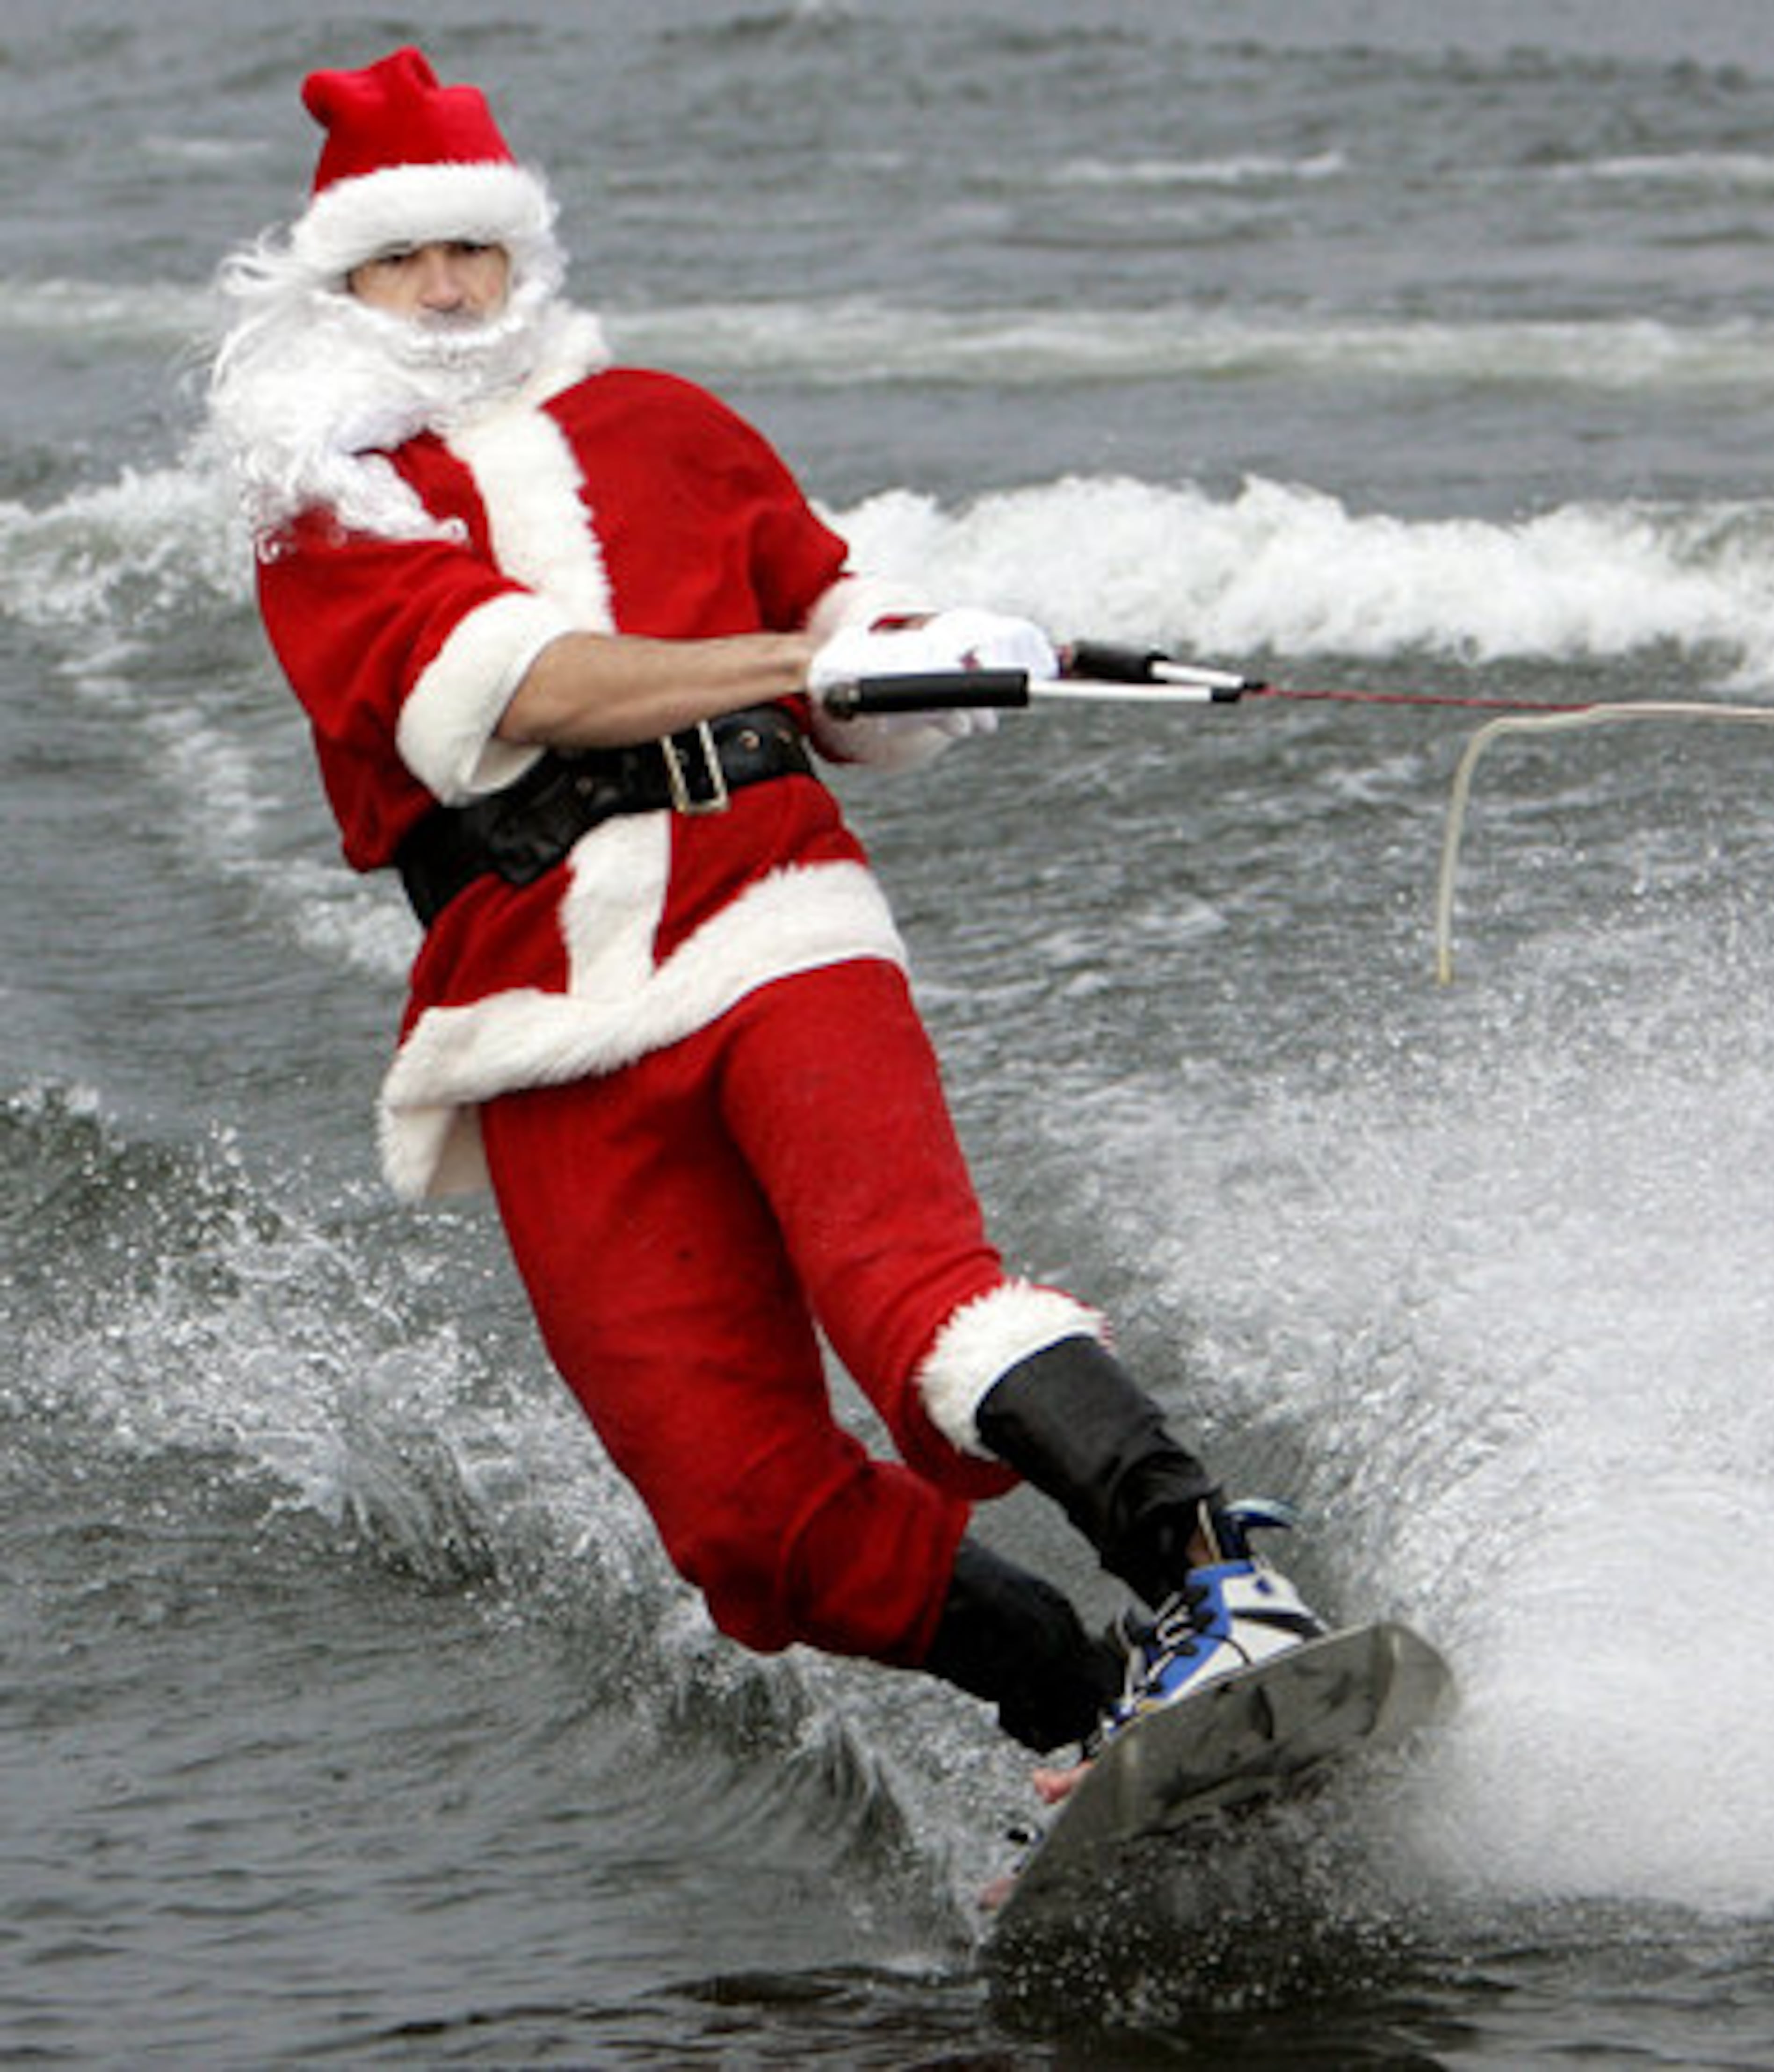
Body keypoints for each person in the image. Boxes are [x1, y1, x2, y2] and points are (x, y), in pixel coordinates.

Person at [208, 46, 1325, 1765]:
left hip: (776, 915)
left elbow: (854, 644)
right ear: (336, 285)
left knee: (915, 1304)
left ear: (524, 262)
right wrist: (811, 659)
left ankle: (1215, 1579)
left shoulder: (671, 422)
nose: (445, 289)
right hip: (536, 1013)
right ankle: (1086, 1702)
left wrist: (928, 647)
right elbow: (535, 686)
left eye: (474, 252)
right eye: (400, 260)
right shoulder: (328, 506)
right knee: (738, 1511)